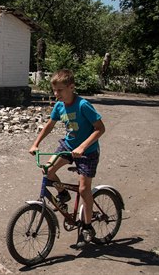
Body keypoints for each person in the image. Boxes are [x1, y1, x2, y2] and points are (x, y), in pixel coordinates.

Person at [29, 69, 106, 248]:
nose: (57, 95)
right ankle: (63, 194)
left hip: (88, 151)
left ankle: (87, 226)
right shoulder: (59, 106)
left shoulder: (83, 105)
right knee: (47, 169)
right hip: (68, 146)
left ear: (71, 87)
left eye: (60, 91)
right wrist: (36, 143)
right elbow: (49, 125)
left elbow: (100, 128)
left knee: (84, 189)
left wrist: (82, 147)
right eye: (54, 91)